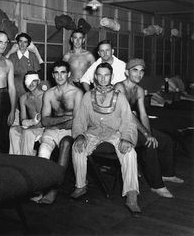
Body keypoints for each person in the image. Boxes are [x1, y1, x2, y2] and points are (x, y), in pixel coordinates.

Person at [72, 62, 141, 214]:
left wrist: (127, 138)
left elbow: (128, 122)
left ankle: (131, 194)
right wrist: (80, 136)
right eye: (100, 75)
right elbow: (79, 121)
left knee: (130, 153)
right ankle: (80, 185)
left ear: (112, 76)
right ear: (95, 77)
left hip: (115, 133)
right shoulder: (87, 96)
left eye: (106, 75)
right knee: (77, 147)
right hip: (93, 133)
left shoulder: (120, 97)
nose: (103, 79)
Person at [115, 58, 183, 198]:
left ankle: (167, 174)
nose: (138, 74)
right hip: (119, 128)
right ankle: (156, 185)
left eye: (141, 71)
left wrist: (150, 133)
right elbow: (128, 115)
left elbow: (143, 115)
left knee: (165, 140)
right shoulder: (119, 87)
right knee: (149, 144)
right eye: (135, 70)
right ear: (126, 73)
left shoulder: (139, 90)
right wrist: (146, 135)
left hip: (132, 125)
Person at [37, 61, 83, 204]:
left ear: (68, 74)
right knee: (43, 151)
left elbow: (75, 122)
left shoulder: (77, 93)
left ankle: (53, 190)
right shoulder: (49, 94)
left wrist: (56, 120)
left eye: (63, 72)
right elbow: (44, 121)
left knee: (65, 144)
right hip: (50, 132)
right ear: (52, 75)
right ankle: (40, 188)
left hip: (69, 132)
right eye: (56, 72)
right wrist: (65, 117)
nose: (59, 76)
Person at [9, 71, 44, 156]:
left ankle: (26, 161)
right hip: (31, 125)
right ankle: (15, 159)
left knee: (28, 133)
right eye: (28, 81)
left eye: (34, 81)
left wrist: (31, 124)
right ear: (25, 83)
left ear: (38, 81)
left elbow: (46, 120)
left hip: (44, 127)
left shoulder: (45, 96)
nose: (31, 84)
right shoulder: (23, 98)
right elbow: (23, 121)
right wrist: (32, 122)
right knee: (13, 130)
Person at [5, 32, 42, 100]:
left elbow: (36, 74)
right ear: (17, 42)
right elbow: (7, 73)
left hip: (30, 88)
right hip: (15, 88)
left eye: (25, 42)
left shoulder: (33, 56)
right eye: (20, 41)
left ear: (28, 44)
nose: (22, 44)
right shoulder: (12, 57)